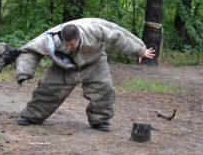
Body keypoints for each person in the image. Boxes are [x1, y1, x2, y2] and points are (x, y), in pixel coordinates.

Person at [15, 18, 155, 132]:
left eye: (72, 44)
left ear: (79, 37)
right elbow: (29, 50)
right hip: (64, 67)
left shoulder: (94, 29)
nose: (69, 47)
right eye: (66, 44)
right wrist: (24, 72)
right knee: (48, 90)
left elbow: (118, 35)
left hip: (95, 62)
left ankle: (100, 120)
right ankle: (32, 116)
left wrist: (139, 49)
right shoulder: (50, 39)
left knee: (104, 89)